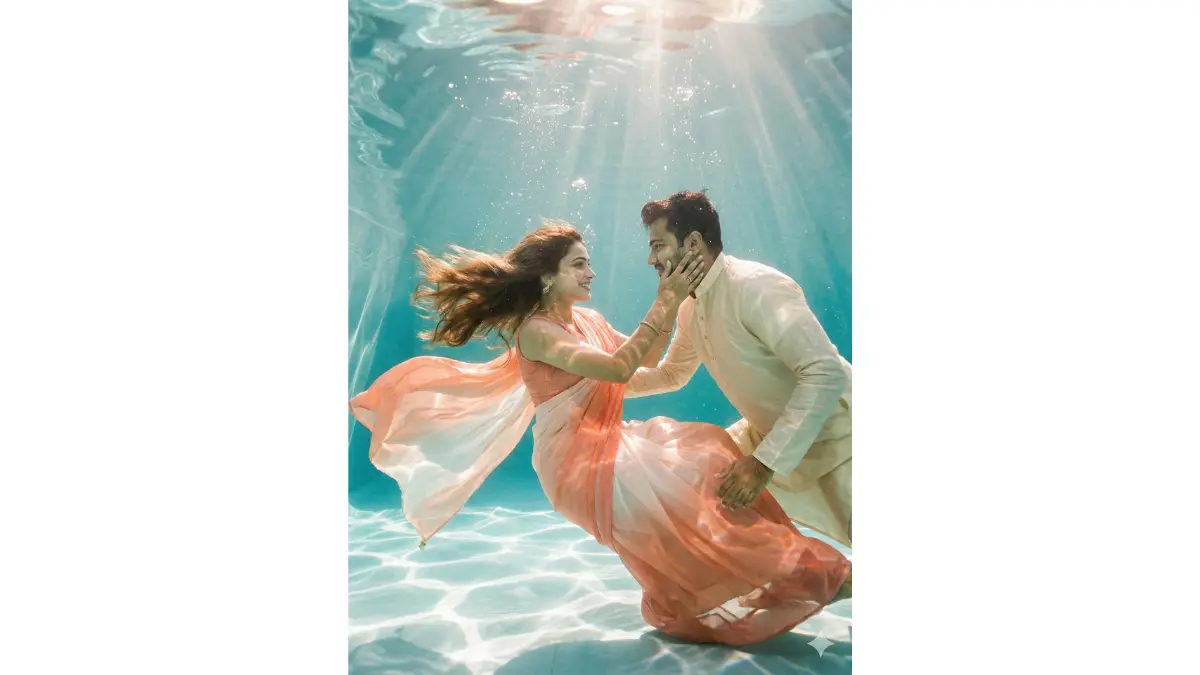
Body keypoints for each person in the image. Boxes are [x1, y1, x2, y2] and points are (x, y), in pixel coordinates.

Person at [349, 220, 851, 646]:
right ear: (547, 278)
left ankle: (790, 575)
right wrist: (669, 300)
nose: (591, 273)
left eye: (588, 262)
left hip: (615, 442)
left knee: (711, 459)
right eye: (578, 265)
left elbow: (643, 363)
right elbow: (614, 370)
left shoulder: (587, 319)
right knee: (688, 506)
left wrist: (678, 315)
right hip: (575, 463)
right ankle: (808, 578)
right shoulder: (535, 331)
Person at [625, 190, 853, 548]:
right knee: (684, 483)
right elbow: (672, 374)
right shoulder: (690, 306)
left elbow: (825, 372)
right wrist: (589, 384)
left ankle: (826, 581)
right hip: (767, 435)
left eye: (659, 246)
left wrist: (762, 464)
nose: (650, 259)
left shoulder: (755, 286)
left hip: (841, 439)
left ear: (694, 242)